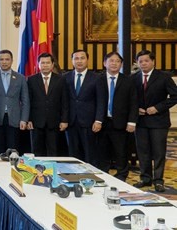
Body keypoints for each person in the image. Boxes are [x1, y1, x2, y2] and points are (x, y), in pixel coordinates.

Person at [132, 50, 177, 192]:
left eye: (146, 60)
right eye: (140, 61)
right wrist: (136, 108)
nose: (143, 63)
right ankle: (145, 178)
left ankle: (158, 180)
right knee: (143, 152)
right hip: (140, 121)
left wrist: (158, 108)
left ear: (153, 62)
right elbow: (129, 98)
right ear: (137, 63)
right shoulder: (133, 78)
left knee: (158, 152)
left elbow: (175, 96)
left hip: (159, 121)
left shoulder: (164, 77)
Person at [95, 51, 137, 181]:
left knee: (121, 151)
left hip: (121, 122)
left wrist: (132, 122)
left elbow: (134, 102)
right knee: (102, 151)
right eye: (111, 61)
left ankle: (121, 175)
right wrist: (96, 120)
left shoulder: (128, 81)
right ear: (104, 63)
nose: (114, 63)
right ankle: (103, 175)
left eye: (117, 61)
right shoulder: (98, 80)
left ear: (121, 64)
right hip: (102, 122)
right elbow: (94, 102)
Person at [64, 50, 105, 165]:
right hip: (70, 122)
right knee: (73, 153)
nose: (79, 61)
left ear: (87, 60)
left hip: (89, 122)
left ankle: (90, 178)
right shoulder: (65, 77)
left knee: (89, 153)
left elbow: (101, 101)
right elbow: (64, 101)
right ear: (72, 61)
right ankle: (74, 176)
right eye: (76, 58)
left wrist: (98, 120)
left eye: (82, 58)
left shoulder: (97, 78)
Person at [0, 50, 30, 156]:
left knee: (13, 150)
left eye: (7, 59)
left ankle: (12, 171)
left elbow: (25, 100)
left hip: (14, 118)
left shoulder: (20, 78)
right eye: (1, 59)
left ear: (12, 61)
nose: (4, 62)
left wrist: (24, 119)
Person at [26, 53, 69, 157]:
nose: (45, 65)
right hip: (36, 122)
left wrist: (64, 120)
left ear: (52, 64)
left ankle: (51, 172)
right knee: (37, 151)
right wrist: (29, 119)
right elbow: (28, 101)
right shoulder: (31, 80)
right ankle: (37, 172)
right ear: (38, 64)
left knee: (53, 151)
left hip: (54, 122)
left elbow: (65, 101)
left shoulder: (61, 79)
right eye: (42, 63)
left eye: (48, 63)